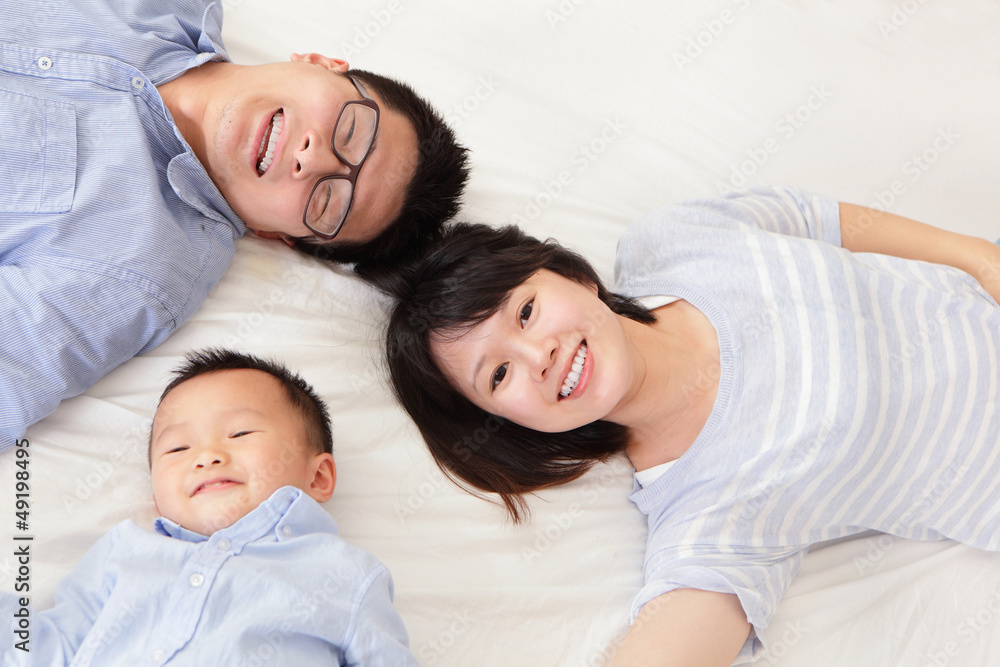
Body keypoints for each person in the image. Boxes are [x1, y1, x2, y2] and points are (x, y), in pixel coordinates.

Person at [382, 185, 1000, 666]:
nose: (536, 355)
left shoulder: (673, 239)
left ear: (570, 274)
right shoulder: (706, 512)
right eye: (497, 376)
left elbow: (823, 221)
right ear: (509, 423)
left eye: (526, 310)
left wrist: (980, 257)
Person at [0, 0, 469, 449]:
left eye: (328, 203)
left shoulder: (139, 272)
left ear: (277, 237)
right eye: (351, 131)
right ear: (321, 62)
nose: (311, 158)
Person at [1, 348, 418, 666]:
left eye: (239, 433)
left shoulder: (343, 573)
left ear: (318, 477)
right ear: (156, 495)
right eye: (178, 448)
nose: (206, 456)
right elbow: (46, 649)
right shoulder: (123, 554)